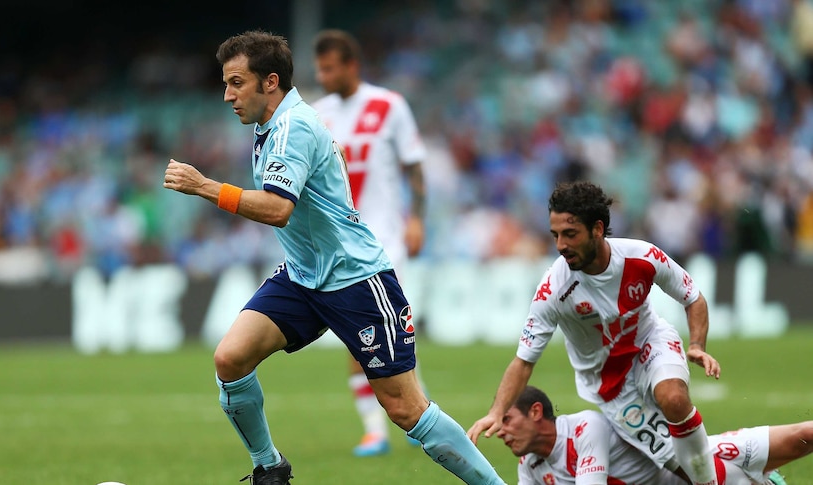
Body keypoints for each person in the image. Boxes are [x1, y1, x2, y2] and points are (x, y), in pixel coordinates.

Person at [163, 30, 506, 485]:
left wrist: (204, 186)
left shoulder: (294, 127)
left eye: (236, 83)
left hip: (355, 278)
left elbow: (278, 209)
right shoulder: (272, 123)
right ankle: (269, 469)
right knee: (230, 358)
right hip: (305, 277)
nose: (227, 96)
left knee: (405, 407)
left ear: (270, 81)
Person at [468, 181, 722, 485]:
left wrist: (696, 344)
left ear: (598, 229)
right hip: (610, 387)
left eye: (570, 234)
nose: (560, 245)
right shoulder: (552, 291)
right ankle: (747, 472)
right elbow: (524, 361)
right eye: (555, 235)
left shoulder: (642, 257)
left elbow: (692, 297)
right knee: (680, 466)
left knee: (673, 397)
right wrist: (497, 412)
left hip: (649, 344)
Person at [311, 28, 429, 457]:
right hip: (340, 242)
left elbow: (414, 166)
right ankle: (388, 426)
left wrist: (416, 218)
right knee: (363, 336)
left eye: (329, 69)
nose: (322, 76)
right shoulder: (316, 114)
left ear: (351, 66)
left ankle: (403, 421)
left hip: (387, 239)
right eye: (319, 69)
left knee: (391, 333)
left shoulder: (389, 105)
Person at [499, 386, 811, 484]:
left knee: (803, 436)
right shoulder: (530, 465)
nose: (501, 431)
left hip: (701, 463)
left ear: (536, 412)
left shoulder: (584, 428)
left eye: (507, 419)